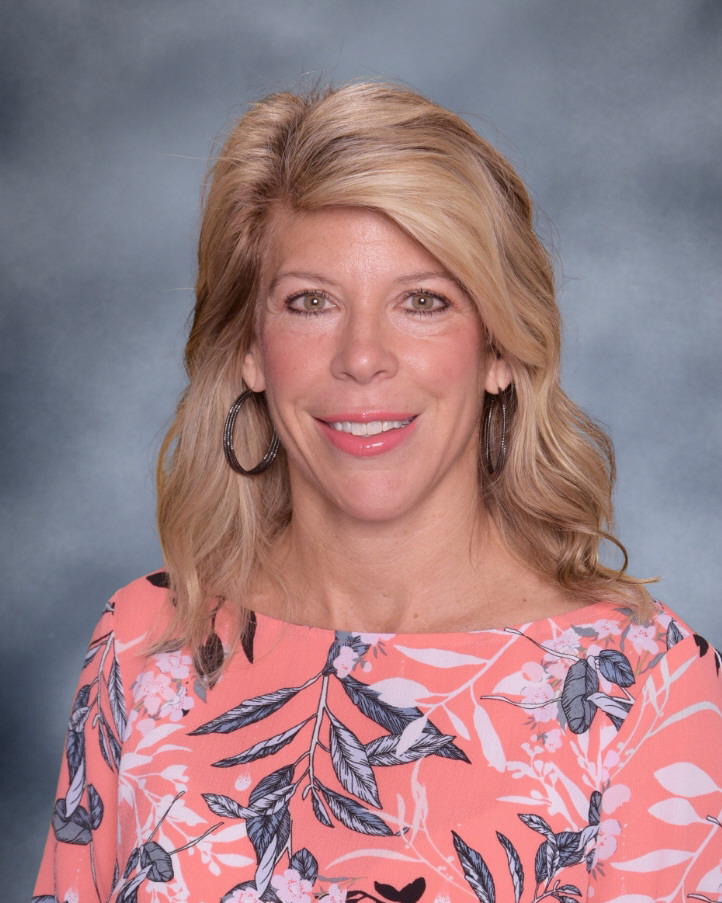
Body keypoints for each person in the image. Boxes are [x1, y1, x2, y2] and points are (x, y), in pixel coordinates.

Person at [34, 82, 721, 903]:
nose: (363, 357)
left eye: (422, 301)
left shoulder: (644, 686)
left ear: (500, 349)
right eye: (311, 302)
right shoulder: (145, 644)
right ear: (250, 349)